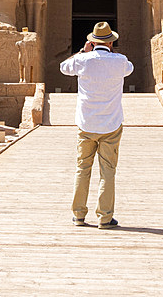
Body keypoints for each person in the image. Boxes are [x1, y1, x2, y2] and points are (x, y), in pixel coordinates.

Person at [59, 21, 133, 229]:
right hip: (111, 123)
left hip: (86, 124)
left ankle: (78, 215)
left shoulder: (83, 60)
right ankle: (105, 217)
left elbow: (63, 67)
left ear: (92, 42)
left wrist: (82, 51)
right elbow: (130, 69)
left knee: (82, 169)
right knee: (108, 171)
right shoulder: (120, 61)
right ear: (111, 43)